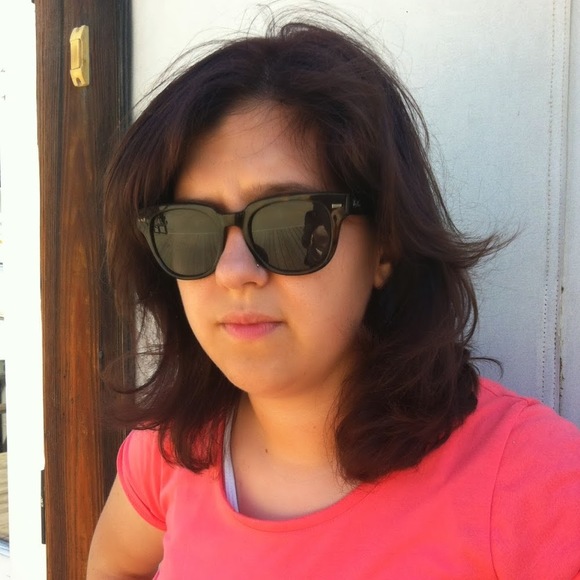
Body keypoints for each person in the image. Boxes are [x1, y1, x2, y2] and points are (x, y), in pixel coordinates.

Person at [86, 12, 580, 580]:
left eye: (291, 224)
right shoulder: (172, 448)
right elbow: (113, 564)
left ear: (385, 246)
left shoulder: (529, 481)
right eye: (190, 230)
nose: (234, 271)